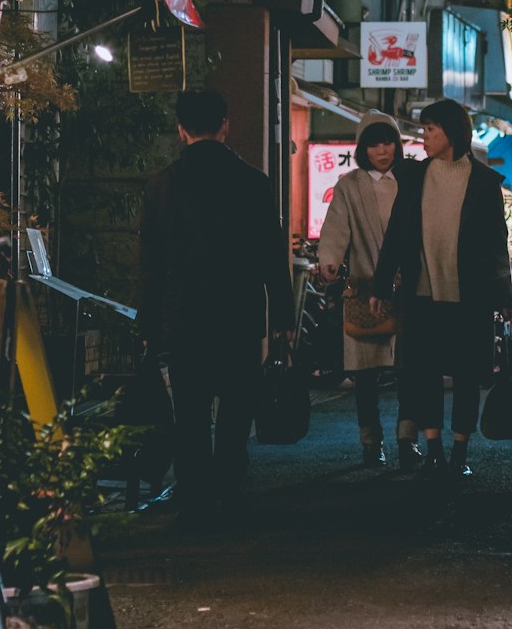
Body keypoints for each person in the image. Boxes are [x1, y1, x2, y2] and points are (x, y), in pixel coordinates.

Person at [139, 89, 294, 526]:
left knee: (189, 409)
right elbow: (270, 255)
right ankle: (228, 485)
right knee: (236, 404)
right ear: (225, 125)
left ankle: (195, 496)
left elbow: (150, 263)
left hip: (183, 314)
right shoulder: (253, 182)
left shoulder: (161, 185)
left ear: (180, 129)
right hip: (239, 312)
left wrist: (148, 320)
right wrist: (282, 316)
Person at [370, 98, 512, 480]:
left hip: (470, 297)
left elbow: (495, 244)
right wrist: (381, 285)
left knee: (468, 375)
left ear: (451, 132)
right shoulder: (414, 176)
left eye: (431, 129)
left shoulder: (484, 183)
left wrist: (505, 295)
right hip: (422, 294)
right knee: (424, 372)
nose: (424, 136)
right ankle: (433, 448)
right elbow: (397, 237)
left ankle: (459, 451)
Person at [317, 111, 421, 471]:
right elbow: (336, 226)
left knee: (410, 368)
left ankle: (408, 438)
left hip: (408, 288)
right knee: (364, 372)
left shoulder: (410, 180)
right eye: (374, 143)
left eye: (388, 142)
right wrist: (329, 259)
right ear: (363, 148)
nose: (382, 150)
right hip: (363, 286)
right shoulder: (350, 184)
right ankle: (370, 441)